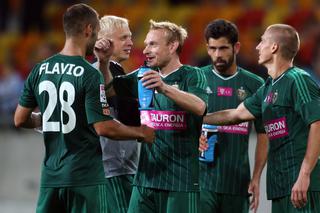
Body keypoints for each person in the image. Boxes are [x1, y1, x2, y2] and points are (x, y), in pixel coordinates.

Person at [14, 4, 154, 213]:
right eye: (96, 32)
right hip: (86, 176)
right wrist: (141, 132)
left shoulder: (39, 69)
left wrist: (50, 119)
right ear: (89, 30)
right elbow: (103, 127)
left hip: (51, 176)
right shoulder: (89, 74)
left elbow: (20, 119)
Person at [202, 24, 320, 213]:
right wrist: (200, 118)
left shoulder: (298, 79)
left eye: (263, 41)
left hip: (302, 184)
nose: (257, 47)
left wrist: (305, 175)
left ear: (274, 47)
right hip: (281, 186)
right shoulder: (267, 88)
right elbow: (236, 114)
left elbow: (317, 124)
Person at [99, 20, 208, 213]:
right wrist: (104, 62)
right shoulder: (141, 76)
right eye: (146, 44)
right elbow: (109, 90)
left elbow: (200, 107)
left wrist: (163, 87)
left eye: (153, 44)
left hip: (181, 183)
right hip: (145, 181)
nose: (146, 50)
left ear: (173, 46)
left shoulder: (193, 75)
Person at [199, 19, 268, 213]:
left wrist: (256, 177)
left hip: (237, 184)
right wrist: (194, 135)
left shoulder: (255, 84)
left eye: (223, 48)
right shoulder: (196, 78)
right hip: (201, 183)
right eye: (212, 49)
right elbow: (184, 121)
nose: (217, 55)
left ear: (236, 47)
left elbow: (263, 133)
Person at [96, 15, 139, 213]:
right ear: (103, 40)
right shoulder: (102, 73)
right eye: (123, 38)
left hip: (112, 168)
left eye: (129, 37)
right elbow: (127, 117)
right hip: (115, 168)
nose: (130, 42)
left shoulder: (113, 71)